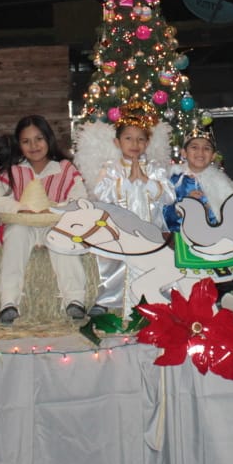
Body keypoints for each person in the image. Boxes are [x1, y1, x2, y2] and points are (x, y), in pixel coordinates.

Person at [0, 115, 89, 325]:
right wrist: (19, 208)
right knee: (16, 234)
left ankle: (74, 299)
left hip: (54, 222)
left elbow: (80, 198)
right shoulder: (14, 170)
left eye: (39, 139)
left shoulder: (65, 168)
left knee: (63, 240)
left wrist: (55, 209)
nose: (34, 146)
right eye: (26, 141)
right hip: (24, 223)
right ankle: (9, 302)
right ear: (19, 145)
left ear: (49, 139)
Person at [90, 111, 176, 314]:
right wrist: (126, 181)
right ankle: (110, 299)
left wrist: (146, 181)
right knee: (116, 260)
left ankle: (158, 297)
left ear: (147, 143)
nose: (134, 143)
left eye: (140, 139)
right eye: (128, 138)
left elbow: (170, 196)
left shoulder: (155, 169)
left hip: (151, 230)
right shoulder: (110, 169)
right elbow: (100, 194)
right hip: (120, 231)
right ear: (117, 142)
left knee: (157, 258)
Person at [163, 129, 233, 232]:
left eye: (206, 148)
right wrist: (183, 206)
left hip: (213, 238)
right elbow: (164, 217)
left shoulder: (222, 183)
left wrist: (208, 208)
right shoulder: (173, 180)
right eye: (194, 147)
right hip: (181, 238)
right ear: (184, 153)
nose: (200, 152)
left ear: (213, 156)